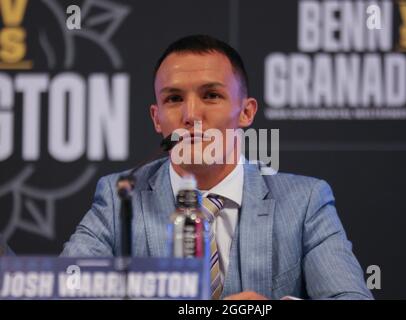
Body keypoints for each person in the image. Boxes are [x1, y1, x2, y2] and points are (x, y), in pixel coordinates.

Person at [61, 35, 373, 300]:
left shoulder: (305, 202)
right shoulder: (121, 197)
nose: (191, 114)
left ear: (246, 112)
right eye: (174, 98)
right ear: (157, 119)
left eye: (211, 95)